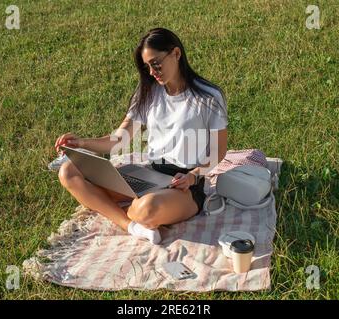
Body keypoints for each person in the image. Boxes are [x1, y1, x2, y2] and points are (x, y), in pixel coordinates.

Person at [55, 28, 228, 244]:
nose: (152, 72)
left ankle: (128, 212)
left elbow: (219, 152)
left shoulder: (208, 97)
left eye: (155, 64)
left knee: (145, 209)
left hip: (185, 185)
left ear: (176, 53)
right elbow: (120, 140)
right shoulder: (148, 92)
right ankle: (131, 226)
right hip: (148, 175)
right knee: (68, 171)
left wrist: (192, 175)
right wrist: (80, 143)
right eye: (147, 67)